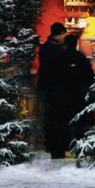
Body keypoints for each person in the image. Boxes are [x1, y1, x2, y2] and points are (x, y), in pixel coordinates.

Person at [37, 22, 68, 158]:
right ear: (59, 34)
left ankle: (53, 146)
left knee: (52, 117)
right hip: (53, 89)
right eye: (63, 34)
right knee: (55, 117)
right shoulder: (53, 49)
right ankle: (55, 147)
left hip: (49, 88)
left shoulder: (47, 47)